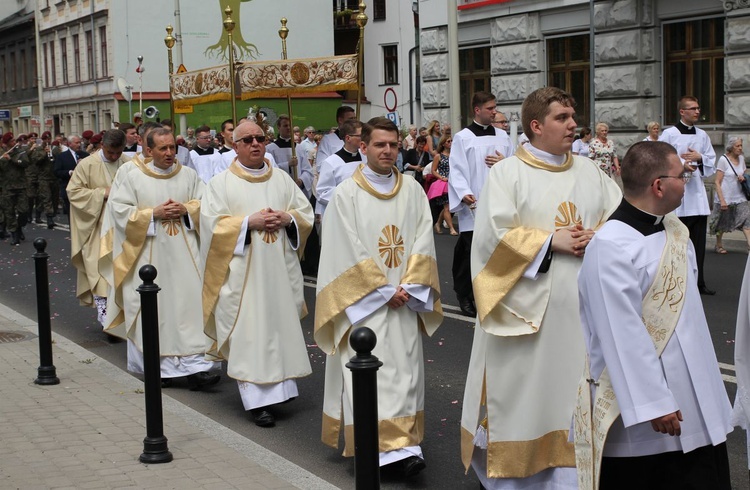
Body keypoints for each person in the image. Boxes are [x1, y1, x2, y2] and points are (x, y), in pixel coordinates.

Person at [460, 87, 621, 489]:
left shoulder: (590, 171)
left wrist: (596, 237)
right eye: (562, 118)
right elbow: (491, 240)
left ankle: (573, 478)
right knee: (528, 397)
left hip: (583, 311)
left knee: (575, 396)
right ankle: (518, 479)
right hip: (530, 313)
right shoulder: (507, 174)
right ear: (536, 126)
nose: (572, 124)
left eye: (572, 116)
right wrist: (552, 241)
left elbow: (620, 222)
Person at [575, 141, 732, 489]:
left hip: (694, 394)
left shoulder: (675, 231)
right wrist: (653, 402)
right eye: (682, 175)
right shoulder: (611, 246)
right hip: (651, 414)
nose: (687, 180)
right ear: (658, 185)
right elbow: (621, 332)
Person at [315, 117, 443, 478]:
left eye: (392, 145)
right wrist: (382, 290)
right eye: (379, 145)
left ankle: (405, 446)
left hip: (405, 297)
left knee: (405, 373)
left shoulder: (413, 190)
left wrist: (411, 286)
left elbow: (422, 239)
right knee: (371, 375)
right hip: (365, 305)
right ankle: (377, 450)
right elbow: (344, 247)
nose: (387, 151)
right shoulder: (346, 193)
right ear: (364, 147)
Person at [201, 120, 313, 427]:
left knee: (277, 328)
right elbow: (210, 226)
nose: (255, 144)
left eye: (260, 138)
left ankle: (280, 390)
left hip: (278, 270)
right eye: (247, 139)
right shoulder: (220, 184)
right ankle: (256, 401)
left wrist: (288, 217)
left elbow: (304, 214)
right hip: (242, 276)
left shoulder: (281, 179)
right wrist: (246, 223)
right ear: (235, 146)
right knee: (250, 333)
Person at [100, 128, 220, 390]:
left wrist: (186, 209)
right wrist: (151, 214)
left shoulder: (188, 175)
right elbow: (119, 211)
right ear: (148, 149)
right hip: (147, 255)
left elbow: (206, 205)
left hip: (185, 255)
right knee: (156, 312)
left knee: (189, 310)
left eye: (172, 148)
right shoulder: (130, 176)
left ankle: (196, 368)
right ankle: (157, 368)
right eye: (162, 149)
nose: (169, 153)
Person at [448, 91, 512, 317]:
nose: (495, 111)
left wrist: (505, 163)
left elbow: (515, 164)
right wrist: (464, 192)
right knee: (470, 251)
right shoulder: (463, 137)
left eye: (495, 107)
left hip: (498, 202)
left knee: (494, 250)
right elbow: (455, 168)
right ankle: (465, 294)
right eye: (490, 108)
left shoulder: (503, 137)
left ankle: (488, 292)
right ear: (477, 110)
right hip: (473, 203)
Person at [67, 129, 129, 328]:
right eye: (111, 152)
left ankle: (122, 314)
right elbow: (73, 192)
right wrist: (103, 192)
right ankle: (106, 318)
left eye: (118, 152)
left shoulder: (128, 163)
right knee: (99, 271)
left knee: (121, 271)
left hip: (122, 227)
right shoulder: (87, 164)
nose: (114, 157)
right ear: (102, 145)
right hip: (97, 226)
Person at [660, 96, 717, 295]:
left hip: (697, 197)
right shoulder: (669, 134)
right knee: (678, 244)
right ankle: (677, 282)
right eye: (693, 108)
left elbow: (711, 159)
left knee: (698, 245)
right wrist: (681, 165)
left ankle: (699, 282)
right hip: (678, 199)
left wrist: (699, 158)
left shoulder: (702, 135)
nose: (697, 111)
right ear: (682, 112)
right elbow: (660, 158)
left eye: (698, 108)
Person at [315, 119, 363, 220]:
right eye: (360, 135)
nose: (364, 138)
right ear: (348, 138)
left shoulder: (366, 158)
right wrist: (349, 198)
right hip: (342, 215)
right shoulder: (331, 162)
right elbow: (322, 193)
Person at [709, 136, 750, 254]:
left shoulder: (742, 159)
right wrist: (722, 200)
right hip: (725, 197)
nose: (740, 148)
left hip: (740, 196)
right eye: (737, 146)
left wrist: (742, 177)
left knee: (747, 221)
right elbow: (717, 181)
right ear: (731, 147)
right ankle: (718, 245)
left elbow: (743, 171)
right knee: (721, 223)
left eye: (741, 145)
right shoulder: (723, 160)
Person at [1, 132, 30, 245]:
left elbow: (25, 163)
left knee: (24, 211)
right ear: (7, 143)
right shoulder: (2, 153)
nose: (14, 142)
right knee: (9, 212)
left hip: (21, 186)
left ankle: (19, 227)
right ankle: (14, 234)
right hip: (7, 187)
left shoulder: (20, 151)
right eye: (12, 141)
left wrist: (11, 160)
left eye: (14, 140)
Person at [428, 134, 457, 235]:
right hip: (444, 183)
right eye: (448, 141)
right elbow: (433, 170)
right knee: (447, 207)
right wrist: (442, 178)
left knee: (449, 206)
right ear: (443, 144)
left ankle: (438, 223)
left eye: (451, 141)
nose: (450, 143)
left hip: (454, 182)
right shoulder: (438, 156)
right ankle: (451, 228)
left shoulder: (455, 155)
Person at [54, 134, 89, 216]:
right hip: (69, 189)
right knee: (72, 215)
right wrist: (69, 172)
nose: (79, 145)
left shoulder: (85, 155)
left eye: (80, 143)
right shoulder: (62, 156)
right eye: (76, 143)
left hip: (83, 190)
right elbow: (57, 172)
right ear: (70, 144)